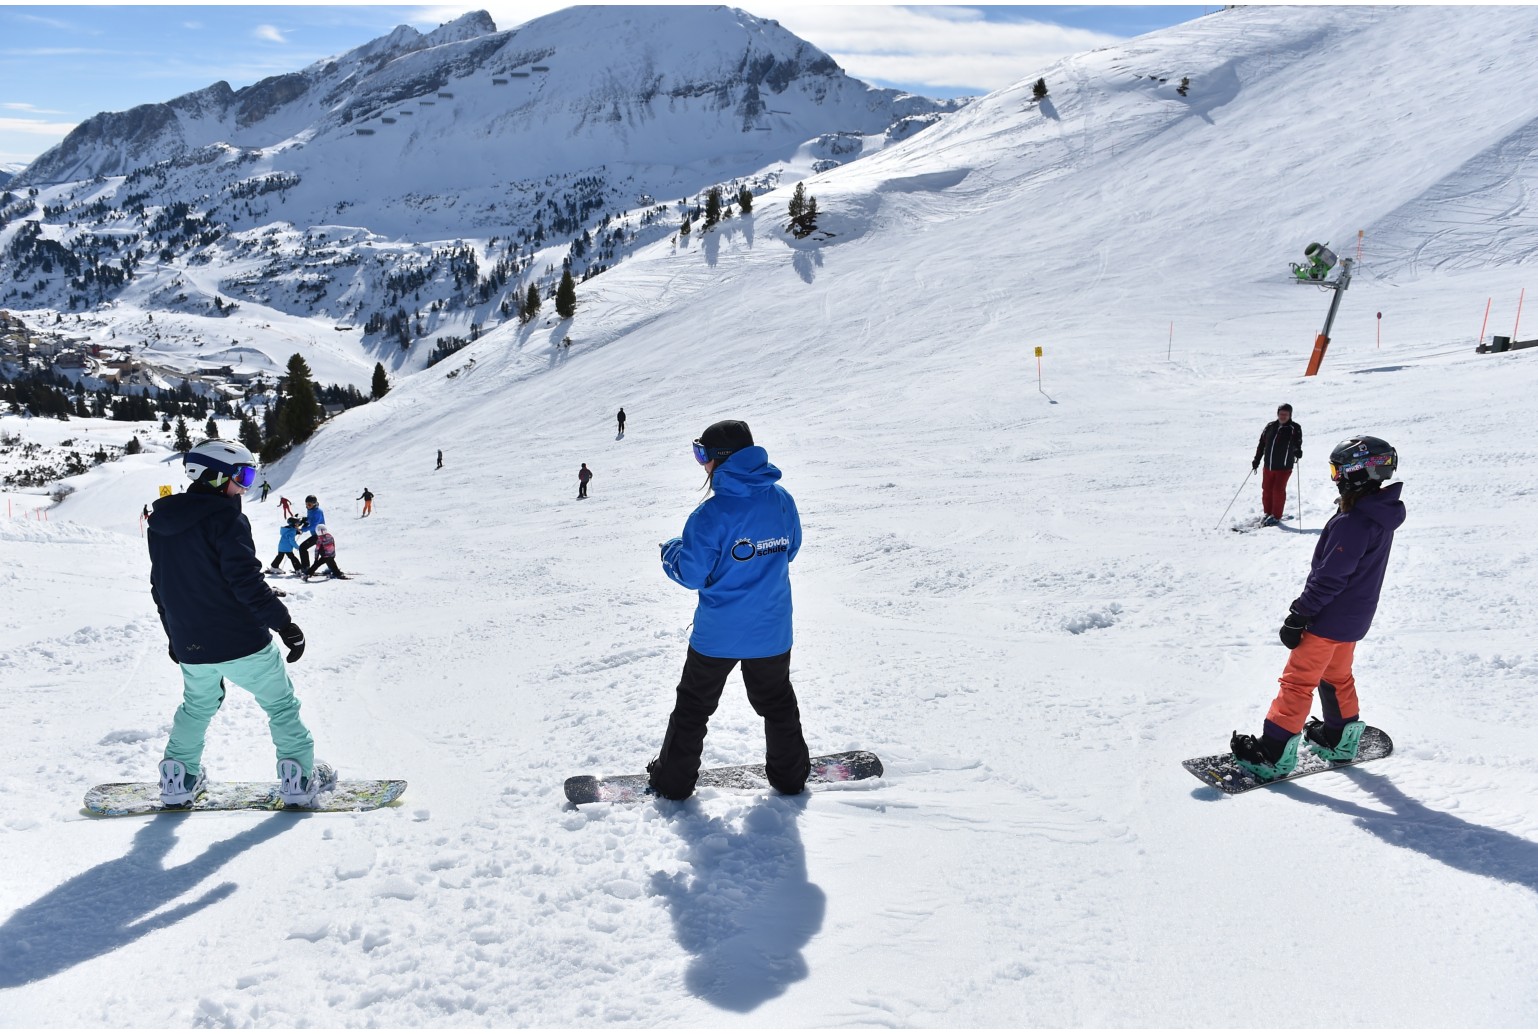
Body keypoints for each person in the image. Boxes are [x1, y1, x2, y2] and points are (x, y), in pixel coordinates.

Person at [147, 438, 335, 807]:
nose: (246, 486)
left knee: (196, 707)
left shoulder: (161, 523)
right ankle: (297, 777)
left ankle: (178, 778)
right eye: (243, 476)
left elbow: (161, 587)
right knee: (280, 705)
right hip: (241, 640)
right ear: (215, 476)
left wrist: (175, 637)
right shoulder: (226, 519)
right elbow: (245, 581)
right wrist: (285, 626)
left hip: (191, 643)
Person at [646, 419, 810, 801]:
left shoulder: (710, 515)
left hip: (717, 635)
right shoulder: (781, 499)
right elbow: (791, 549)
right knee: (777, 703)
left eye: (701, 454)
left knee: (693, 706)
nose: (700, 462)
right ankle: (789, 776)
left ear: (721, 459)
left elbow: (691, 574)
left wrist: (672, 551)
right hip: (771, 629)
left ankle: (673, 781)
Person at [1230, 435, 1405, 778]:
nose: (1335, 477)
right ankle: (1340, 739)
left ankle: (1274, 752)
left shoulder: (1354, 522)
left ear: (1357, 472)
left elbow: (1330, 578)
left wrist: (1300, 614)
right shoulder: (1376, 515)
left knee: (1297, 682)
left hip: (1327, 619)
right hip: (1353, 619)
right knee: (1336, 676)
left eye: (1336, 470)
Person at [1252, 403, 1303, 526]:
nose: (1283, 416)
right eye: (1281, 414)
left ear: (1290, 415)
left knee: (1278, 490)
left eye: (1286, 414)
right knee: (1267, 489)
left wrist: (1297, 451)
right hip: (1268, 465)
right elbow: (1262, 444)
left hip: (1284, 466)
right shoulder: (1270, 426)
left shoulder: (1294, 428)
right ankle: (1267, 513)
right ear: (1277, 414)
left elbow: (1298, 442)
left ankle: (1276, 515)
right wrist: (1257, 460)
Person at [296, 495, 325, 569]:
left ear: (314, 504)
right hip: (316, 534)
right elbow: (310, 520)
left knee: (302, 548)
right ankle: (333, 569)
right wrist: (305, 520)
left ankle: (306, 567)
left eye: (309, 504)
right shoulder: (310, 510)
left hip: (319, 534)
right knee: (323, 553)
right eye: (306, 504)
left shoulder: (318, 512)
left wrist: (302, 530)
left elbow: (314, 525)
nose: (307, 506)